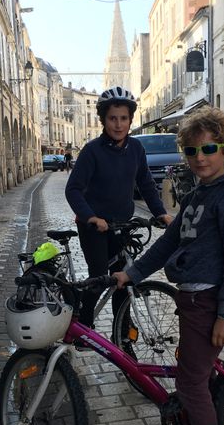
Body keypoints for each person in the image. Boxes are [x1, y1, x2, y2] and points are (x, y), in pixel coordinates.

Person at [112, 106, 224, 425]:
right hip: (191, 299)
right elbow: (167, 242)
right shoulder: (197, 196)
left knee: (191, 384)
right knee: (198, 379)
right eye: (191, 151)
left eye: (209, 148)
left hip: (210, 301)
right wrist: (132, 273)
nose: (200, 158)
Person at [65, 86, 173, 328]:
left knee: (123, 280)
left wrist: (161, 213)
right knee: (100, 276)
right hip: (95, 227)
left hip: (122, 226)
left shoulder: (136, 149)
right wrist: (90, 217)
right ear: (103, 120)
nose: (118, 124)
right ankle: (83, 324)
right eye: (112, 118)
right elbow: (73, 189)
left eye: (123, 118)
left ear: (130, 120)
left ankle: (122, 335)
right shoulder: (92, 151)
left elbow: (145, 184)